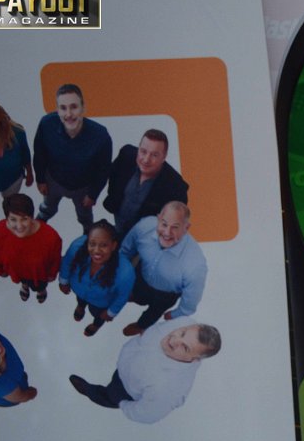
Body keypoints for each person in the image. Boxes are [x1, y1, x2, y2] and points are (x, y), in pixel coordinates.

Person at [68, 317, 220, 424]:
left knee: (109, 396)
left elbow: (147, 414)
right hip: (128, 364)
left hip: (125, 389)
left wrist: (124, 405)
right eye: (182, 333)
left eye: (185, 348)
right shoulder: (186, 323)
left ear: (195, 359)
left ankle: (90, 392)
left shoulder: (168, 389)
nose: (174, 340)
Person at [119, 201, 207, 336]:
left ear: (186, 227)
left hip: (164, 295)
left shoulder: (195, 265)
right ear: (158, 218)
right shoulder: (144, 226)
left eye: (175, 227)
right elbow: (126, 251)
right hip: (141, 277)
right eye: (164, 224)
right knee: (136, 295)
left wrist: (176, 314)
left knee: (153, 314)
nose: (167, 233)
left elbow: (190, 302)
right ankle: (135, 297)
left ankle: (140, 325)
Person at [33, 83, 112, 230]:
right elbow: (39, 153)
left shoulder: (100, 135)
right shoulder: (46, 124)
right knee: (48, 208)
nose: (68, 114)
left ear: (83, 108)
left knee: (85, 216)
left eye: (74, 107)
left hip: (82, 187)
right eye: (63, 108)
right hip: (53, 181)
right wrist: (40, 179)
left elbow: (104, 169)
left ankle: (87, 233)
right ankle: (41, 221)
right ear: (57, 110)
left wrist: (93, 194)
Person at [102, 129, 189, 239]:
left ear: (164, 157)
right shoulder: (126, 155)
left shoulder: (176, 187)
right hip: (118, 225)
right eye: (143, 151)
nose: (146, 160)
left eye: (154, 155)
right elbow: (113, 177)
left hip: (146, 237)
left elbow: (175, 222)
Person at [59, 220, 136, 337]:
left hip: (101, 302)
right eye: (92, 244)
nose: (96, 250)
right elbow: (67, 263)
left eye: (104, 245)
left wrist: (111, 312)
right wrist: (63, 281)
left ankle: (96, 325)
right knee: (80, 299)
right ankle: (80, 306)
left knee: (99, 315)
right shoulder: (77, 247)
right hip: (80, 289)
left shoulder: (125, 272)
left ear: (113, 246)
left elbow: (122, 295)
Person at [0, 193, 62, 303]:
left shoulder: (51, 238)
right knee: (23, 281)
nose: (19, 226)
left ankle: (41, 290)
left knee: (39, 286)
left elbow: (55, 260)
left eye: (24, 219)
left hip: (39, 275)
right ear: (7, 218)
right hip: (17, 272)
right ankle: (25, 286)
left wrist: (52, 274)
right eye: (13, 219)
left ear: (32, 217)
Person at [0, 94, 33, 228]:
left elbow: (25, 154)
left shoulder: (17, 132)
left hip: (13, 180)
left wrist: (30, 173)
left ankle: (10, 224)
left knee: (11, 205)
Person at [0, 324, 36, 406]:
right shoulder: (0, 384)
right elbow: (21, 397)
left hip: (9, 382)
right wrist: (30, 394)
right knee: (17, 387)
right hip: (6, 397)